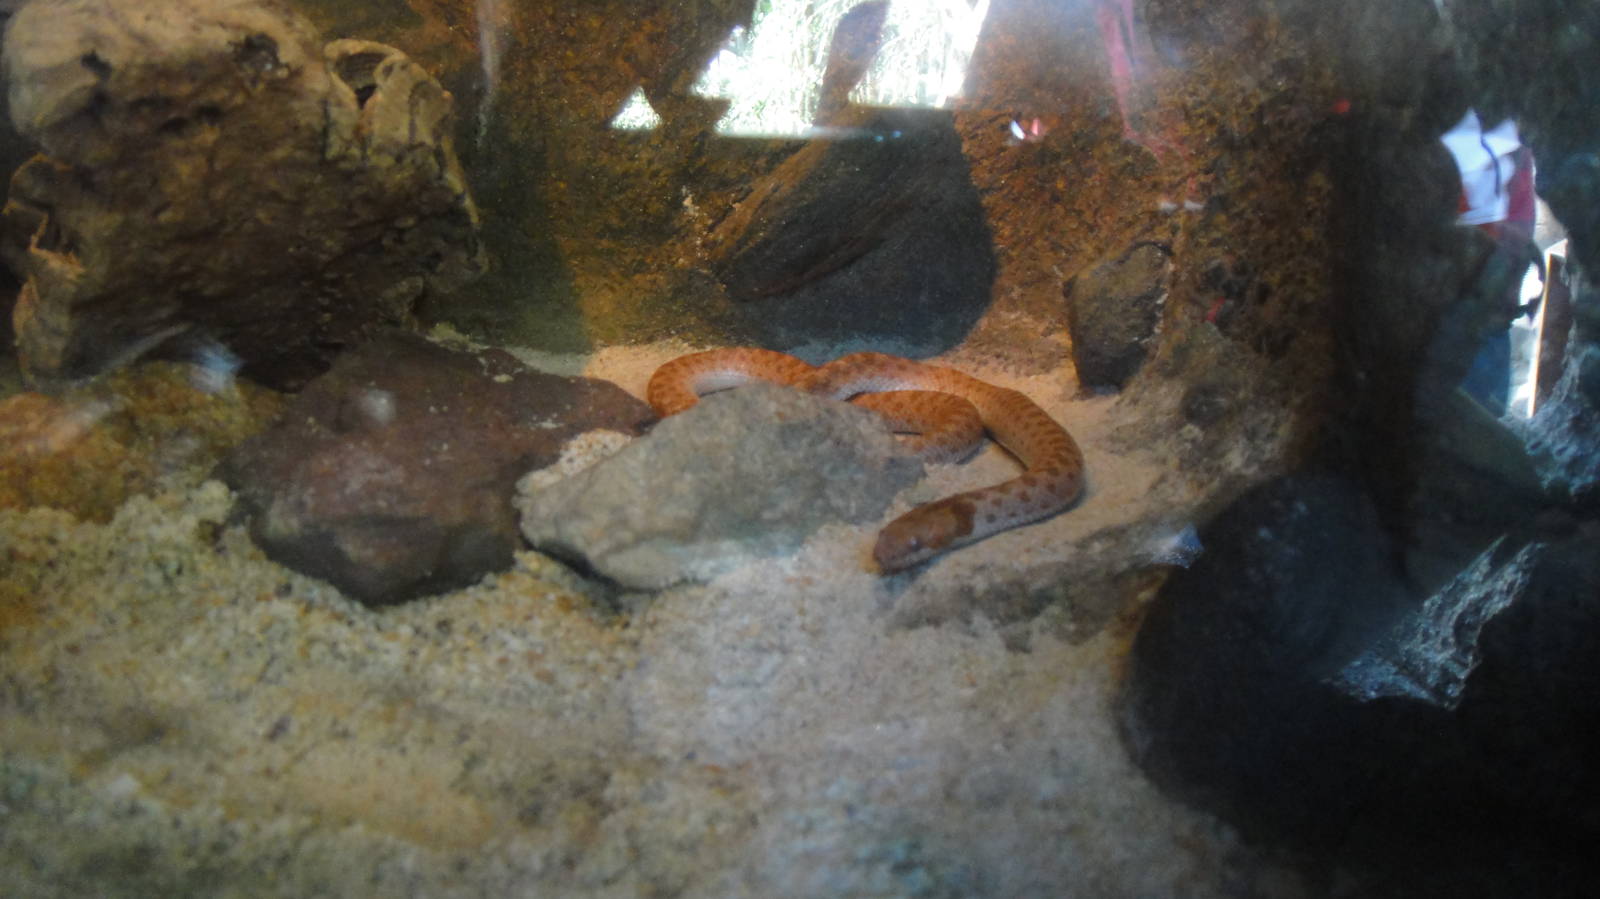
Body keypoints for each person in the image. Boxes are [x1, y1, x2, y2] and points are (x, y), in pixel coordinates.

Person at [1441, 109, 1538, 415]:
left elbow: (1518, 229)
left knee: (1486, 414)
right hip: (1455, 316)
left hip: (1491, 319)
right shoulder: (1460, 147)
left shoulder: (1519, 156)